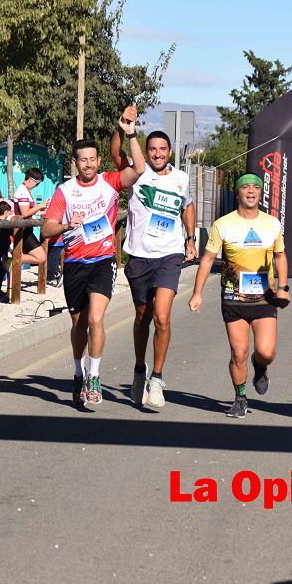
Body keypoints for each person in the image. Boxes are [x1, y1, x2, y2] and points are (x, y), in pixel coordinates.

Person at [42, 106, 146, 409]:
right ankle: (78, 370)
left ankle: (94, 376)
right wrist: (64, 225)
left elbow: (138, 169)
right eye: (82, 160)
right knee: (79, 324)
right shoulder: (65, 191)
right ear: (75, 163)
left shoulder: (110, 182)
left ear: (98, 161)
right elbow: (47, 227)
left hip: (102, 261)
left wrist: (130, 134)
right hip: (74, 262)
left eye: (92, 159)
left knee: (97, 319)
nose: (87, 165)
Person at [110, 110, 197, 410]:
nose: (157, 154)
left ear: (170, 152)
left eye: (162, 150)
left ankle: (157, 378)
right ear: (146, 152)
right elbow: (115, 154)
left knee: (162, 316)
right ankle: (139, 369)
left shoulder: (182, 178)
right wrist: (123, 129)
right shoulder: (138, 172)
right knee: (142, 318)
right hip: (139, 255)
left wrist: (191, 238)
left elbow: (188, 207)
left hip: (169, 255)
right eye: (152, 150)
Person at [188, 173, 290, 419]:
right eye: (246, 188)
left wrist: (283, 288)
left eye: (256, 187)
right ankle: (240, 398)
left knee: (266, 352)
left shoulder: (272, 223)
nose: (251, 191)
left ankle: (260, 366)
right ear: (238, 194)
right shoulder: (223, 224)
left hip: (265, 298)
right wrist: (197, 293)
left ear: (260, 194)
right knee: (238, 352)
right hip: (234, 298)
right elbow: (208, 259)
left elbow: (280, 256)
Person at [11, 167, 50, 278]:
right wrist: (40, 206)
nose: (36, 186)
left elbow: (28, 213)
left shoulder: (25, 190)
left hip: (26, 229)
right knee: (41, 257)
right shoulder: (22, 190)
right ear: (30, 180)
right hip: (23, 230)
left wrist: (40, 211)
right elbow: (25, 213)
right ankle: (12, 257)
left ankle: (14, 258)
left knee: (41, 257)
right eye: (37, 184)